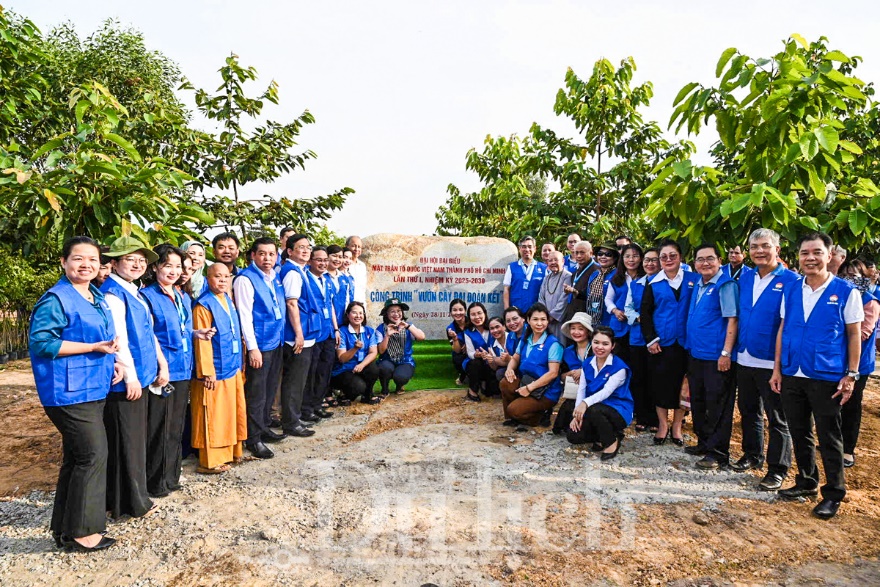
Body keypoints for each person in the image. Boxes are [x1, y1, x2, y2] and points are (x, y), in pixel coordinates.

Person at [29, 236, 122, 552]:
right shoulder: (56, 299)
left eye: (93, 260)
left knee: (77, 457)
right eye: (78, 258)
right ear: (64, 262)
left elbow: (103, 339)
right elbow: (43, 343)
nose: (86, 264)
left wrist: (111, 363)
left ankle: (66, 529)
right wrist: (93, 348)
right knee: (93, 455)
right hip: (68, 392)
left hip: (92, 386)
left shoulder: (95, 295)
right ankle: (83, 533)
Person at [770, 231, 863, 520]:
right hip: (792, 371)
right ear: (798, 257)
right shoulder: (791, 289)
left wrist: (851, 375)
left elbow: (854, 334)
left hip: (826, 374)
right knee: (799, 430)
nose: (810, 258)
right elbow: (783, 329)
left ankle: (833, 492)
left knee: (828, 433)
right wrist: (777, 369)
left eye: (817, 252)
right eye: (804, 253)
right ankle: (806, 481)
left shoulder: (847, 292)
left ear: (829, 254)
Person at [100, 236, 167, 519]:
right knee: (127, 441)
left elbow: (149, 335)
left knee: (134, 439)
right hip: (130, 379)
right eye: (130, 259)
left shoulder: (134, 291)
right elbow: (120, 339)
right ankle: (130, 503)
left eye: (141, 260)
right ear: (114, 263)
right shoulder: (113, 294)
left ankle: (130, 499)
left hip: (144, 374)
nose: (138, 264)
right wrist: (130, 376)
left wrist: (161, 365)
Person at [732, 228, 798, 490]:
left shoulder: (792, 281)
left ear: (777, 249)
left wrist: (779, 366)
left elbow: (788, 324)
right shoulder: (746, 278)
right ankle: (752, 454)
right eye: (754, 246)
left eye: (765, 246)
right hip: (745, 356)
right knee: (749, 411)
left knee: (778, 417)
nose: (759, 251)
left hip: (772, 362)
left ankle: (778, 468)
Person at [140, 245, 201, 497]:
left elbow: (182, 328)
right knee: (160, 427)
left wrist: (198, 333)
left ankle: (172, 475)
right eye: (168, 266)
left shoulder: (182, 296)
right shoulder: (148, 296)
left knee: (176, 425)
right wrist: (159, 366)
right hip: (164, 371)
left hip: (183, 367)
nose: (174, 271)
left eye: (178, 266)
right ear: (155, 267)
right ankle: (156, 481)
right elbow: (148, 335)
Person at [684, 243, 739, 470]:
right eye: (700, 259)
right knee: (699, 400)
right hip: (696, 353)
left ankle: (718, 453)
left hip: (717, 356)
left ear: (719, 260)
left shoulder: (725, 285)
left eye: (710, 258)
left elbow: (732, 320)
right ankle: (704, 443)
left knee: (718, 405)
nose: (705, 263)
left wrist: (725, 352)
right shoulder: (697, 283)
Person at [233, 237, 287, 459]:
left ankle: (264, 428)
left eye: (271, 254)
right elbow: (245, 316)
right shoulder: (245, 279)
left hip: (276, 341)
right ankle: (253, 438)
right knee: (256, 392)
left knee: (269, 389)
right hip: (260, 343)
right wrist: (253, 348)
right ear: (253, 255)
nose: (267, 258)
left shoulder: (274, 277)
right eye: (262, 254)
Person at [191, 263, 248, 474]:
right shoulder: (203, 306)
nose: (222, 280)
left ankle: (232, 452)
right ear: (208, 278)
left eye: (226, 276)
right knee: (213, 416)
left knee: (232, 413)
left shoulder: (227, 300)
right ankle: (210, 462)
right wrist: (207, 371)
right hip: (214, 370)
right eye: (217, 276)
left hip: (231, 367)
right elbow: (202, 341)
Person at [640, 239, 697, 446]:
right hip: (661, 344)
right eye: (663, 257)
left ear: (680, 257)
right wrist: (651, 339)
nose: (668, 259)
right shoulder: (653, 282)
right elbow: (645, 313)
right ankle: (663, 425)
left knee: (682, 385)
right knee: (660, 385)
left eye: (672, 255)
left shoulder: (694, 279)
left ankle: (677, 426)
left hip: (687, 343)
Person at [567, 326, 634, 461]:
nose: (600, 347)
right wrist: (577, 413)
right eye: (596, 342)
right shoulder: (587, 363)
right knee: (573, 436)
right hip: (595, 406)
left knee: (594, 410)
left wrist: (584, 404)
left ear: (612, 346)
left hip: (618, 410)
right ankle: (609, 434)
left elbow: (606, 392)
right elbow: (582, 389)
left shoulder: (619, 367)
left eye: (605, 344)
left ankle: (611, 442)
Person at [838, 259, 879, 469]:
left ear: (864, 277)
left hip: (859, 365)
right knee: (834, 404)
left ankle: (847, 450)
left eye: (855, 276)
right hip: (836, 362)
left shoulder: (870, 301)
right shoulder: (841, 297)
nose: (850, 280)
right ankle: (836, 443)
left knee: (852, 406)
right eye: (846, 275)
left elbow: (862, 333)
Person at [278, 234, 318, 439]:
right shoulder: (292, 272)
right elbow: (291, 303)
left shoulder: (300, 270)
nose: (305, 250)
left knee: (299, 380)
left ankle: (294, 418)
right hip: (295, 335)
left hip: (303, 333)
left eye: (308, 247)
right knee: (294, 381)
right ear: (290, 250)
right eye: (300, 247)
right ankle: (291, 423)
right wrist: (299, 334)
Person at [502, 303, 562, 430]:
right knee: (505, 383)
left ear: (548, 321)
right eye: (535, 319)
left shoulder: (553, 343)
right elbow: (516, 357)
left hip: (545, 391)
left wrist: (529, 388)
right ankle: (514, 418)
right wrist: (509, 369)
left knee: (514, 409)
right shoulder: (526, 339)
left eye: (543, 319)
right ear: (528, 320)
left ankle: (539, 415)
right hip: (527, 382)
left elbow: (553, 373)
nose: (539, 323)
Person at [624, 247, 661, 432]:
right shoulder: (636, 284)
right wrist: (641, 319)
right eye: (647, 260)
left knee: (655, 378)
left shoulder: (665, 283)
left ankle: (656, 418)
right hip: (637, 337)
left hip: (658, 337)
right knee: (638, 377)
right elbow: (628, 308)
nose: (650, 263)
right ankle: (642, 415)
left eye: (654, 260)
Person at [301, 246, 340, 421]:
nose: (323, 263)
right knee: (311, 372)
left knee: (324, 371)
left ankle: (318, 405)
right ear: (310, 260)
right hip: (313, 332)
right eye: (319, 260)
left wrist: (336, 328)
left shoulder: (327, 280)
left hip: (329, 331)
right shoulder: (305, 278)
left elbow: (330, 305)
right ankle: (306, 408)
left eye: (325, 260)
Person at [331, 302, 381, 405]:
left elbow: (373, 352)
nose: (358, 316)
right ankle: (343, 394)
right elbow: (342, 359)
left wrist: (362, 365)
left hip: (359, 367)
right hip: (344, 370)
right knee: (358, 387)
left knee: (373, 369)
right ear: (348, 315)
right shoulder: (342, 332)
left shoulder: (369, 331)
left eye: (361, 313)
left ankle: (367, 395)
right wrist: (354, 348)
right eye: (354, 313)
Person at [552, 312, 592, 435]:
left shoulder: (596, 349)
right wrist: (570, 373)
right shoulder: (568, 351)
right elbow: (561, 375)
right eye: (573, 328)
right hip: (574, 392)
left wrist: (583, 372)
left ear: (588, 332)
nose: (576, 332)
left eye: (581, 329)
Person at [376, 298, 426, 394]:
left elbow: (421, 337)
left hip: (405, 361)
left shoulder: (408, 326)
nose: (396, 314)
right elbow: (381, 351)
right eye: (392, 312)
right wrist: (387, 335)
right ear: (386, 314)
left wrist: (408, 326)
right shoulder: (380, 328)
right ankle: (385, 388)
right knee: (385, 368)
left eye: (399, 311)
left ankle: (399, 386)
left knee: (401, 376)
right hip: (387, 360)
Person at [605, 244, 644, 364]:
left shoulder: (645, 277)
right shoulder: (616, 277)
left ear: (641, 258)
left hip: (639, 325)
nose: (631, 260)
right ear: (622, 259)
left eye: (635, 256)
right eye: (627, 256)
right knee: (620, 360)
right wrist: (615, 311)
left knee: (637, 362)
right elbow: (608, 299)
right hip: (619, 325)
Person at [560, 240, 597, 339]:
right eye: (576, 253)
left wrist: (575, 292)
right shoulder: (576, 271)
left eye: (582, 252)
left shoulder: (597, 270)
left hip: (587, 316)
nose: (579, 256)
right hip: (573, 313)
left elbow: (594, 296)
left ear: (591, 253)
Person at [463, 302, 498, 402]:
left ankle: (484, 384)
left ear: (485, 313)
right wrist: (476, 354)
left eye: (479, 313)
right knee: (475, 363)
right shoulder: (468, 332)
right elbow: (470, 353)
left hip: (492, 363)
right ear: (469, 317)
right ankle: (472, 390)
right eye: (473, 314)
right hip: (476, 362)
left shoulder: (492, 328)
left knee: (491, 392)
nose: (477, 317)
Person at [502, 236, 547, 311]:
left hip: (536, 311)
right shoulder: (512, 267)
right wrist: (507, 310)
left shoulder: (543, 268)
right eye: (524, 247)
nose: (527, 249)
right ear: (519, 249)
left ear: (535, 249)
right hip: (516, 311)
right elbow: (506, 289)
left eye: (530, 247)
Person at [538, 251, 571, 339]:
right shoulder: (546, 278)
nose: (553, 263)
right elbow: (541, 298)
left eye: (556, 260)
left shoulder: (568, 276)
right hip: (546, 320)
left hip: (559, 320)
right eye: (550, 260)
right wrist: (543, 316)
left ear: (563, 261)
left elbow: (564, 299)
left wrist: (552, 316)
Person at [588, 242, 619, 328]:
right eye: (600, 254)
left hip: (610, 322)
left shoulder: (618, 275)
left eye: (608, 254)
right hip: (593, 321)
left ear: (615, 258)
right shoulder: (594, 275)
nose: (603, 257)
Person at [327, 244, 354, 331]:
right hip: (326, 324)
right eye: (334, 256)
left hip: (342, 323)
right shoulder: (322, 276)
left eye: (340, 257)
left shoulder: (344, 278)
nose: (338, 260)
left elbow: (347, 300)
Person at [446, 298, 468, 385]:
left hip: (476, 349)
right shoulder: (450, 328)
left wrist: (469, 345)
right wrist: (455, 338)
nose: (458, 313)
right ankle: (463, 374)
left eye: (460, 310)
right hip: (462, 352)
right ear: (450, 313)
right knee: (457, 357)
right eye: (454, 310)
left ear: (465, 311)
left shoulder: (472, 322)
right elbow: (457, 350)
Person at [346, 235, 368, 303]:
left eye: (359, 247)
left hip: (360, 304)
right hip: (346, 305)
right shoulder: (343, 264)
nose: (356, 249)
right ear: (347, 246)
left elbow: (362, 288)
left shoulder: (362, 266)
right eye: (354, 246)